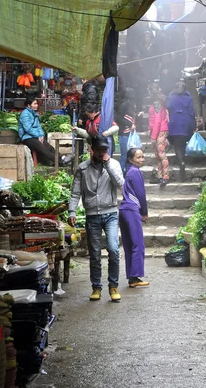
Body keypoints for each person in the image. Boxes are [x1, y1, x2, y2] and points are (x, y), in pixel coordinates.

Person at [68, 135, 125, 302]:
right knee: (94, 253)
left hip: (111, 213)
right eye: (99, 150)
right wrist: (72, 211)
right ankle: (96, 287)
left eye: (105, 150)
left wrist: (108, 164)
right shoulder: (83, 168)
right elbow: (75, 192)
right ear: (92, 150)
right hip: (92, 215)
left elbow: (121, 184)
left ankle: (113, 286)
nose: (102, 153)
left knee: (114, 249)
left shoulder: (113, 164)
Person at [119, 148, 149, 288]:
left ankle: (132, 277)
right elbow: (141, 194)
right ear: (131, 160)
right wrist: (144, 212)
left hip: (123, 209)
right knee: (137, 243)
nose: (141, 159)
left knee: (129, 244)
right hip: (132, 210)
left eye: (142, 157)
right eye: (138, 157)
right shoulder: (135, 172)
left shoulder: (129, 172)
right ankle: (135, 277)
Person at [18, 97, 71, 166]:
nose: (36, 105)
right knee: (43, 149)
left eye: (37, 104)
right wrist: (38, 135)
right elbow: (28, 129)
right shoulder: (25, 114)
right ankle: (61, 162)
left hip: (35, 136)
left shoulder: (34, 114)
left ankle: (62, 157)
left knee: (49, 147)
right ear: (29, 105)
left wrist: (41, 135)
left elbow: (39, 127)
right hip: (27, 137)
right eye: (34, 104)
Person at [167, 82, 196, 180]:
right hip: (185, 122)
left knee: (177, 145)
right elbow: (192, 112)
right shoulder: (188, 97)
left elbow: (168, 107)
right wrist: (194, 125)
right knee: (182, 143)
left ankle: (181, 162)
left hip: (175, 121)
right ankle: (182, 160)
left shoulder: (172, 97)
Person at [148, 98, 170, 187]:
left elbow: (157, 122)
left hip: (160, 131)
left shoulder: (156, 103)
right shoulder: (159, 104)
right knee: (158, 155)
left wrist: (153, 136)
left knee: (161, 154)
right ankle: (160, 176)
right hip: (160, 130)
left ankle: (165, 176)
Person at [117, 88, 137, 174]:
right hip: (123, 134)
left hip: (129, 134)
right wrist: (130, 124)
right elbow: (119, 118)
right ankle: (121, 175)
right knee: (124, 156)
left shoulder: (130, 104)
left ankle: (128, 175)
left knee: (129, 156)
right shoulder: (124, 105)